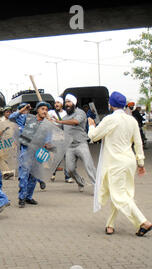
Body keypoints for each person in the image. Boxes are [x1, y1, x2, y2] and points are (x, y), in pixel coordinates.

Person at [88, 91, 152, 237]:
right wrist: (141, 162)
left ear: (111, 105)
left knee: (119, 195)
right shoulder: (132, 120)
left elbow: (93, 136)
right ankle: (110, 225)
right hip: (129, 161)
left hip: (115, 163)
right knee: (120, 193)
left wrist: (91, 125)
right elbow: (138, 142)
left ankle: (143, 222)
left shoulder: (110, 119)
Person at [9, 102, 50, 208]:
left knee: (34, 176)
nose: (44, 111)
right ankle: (21, 197)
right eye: (42, 109)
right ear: (37, 110)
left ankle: (28, 197)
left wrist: (48, 143)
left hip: (38, 151)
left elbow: (48, 137)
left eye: (46, 109)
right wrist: (22, 109)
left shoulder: (47, 124)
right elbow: (11, 117)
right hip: (26, 150)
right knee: (24, 175)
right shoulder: (27, 119)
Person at [54, 94, 96, 192]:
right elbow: (59, 131)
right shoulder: (64, 118)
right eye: (66, 102)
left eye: (69, 102)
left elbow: (76, 122)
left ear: (74, 103)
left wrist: (60, 122)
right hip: (70, 147)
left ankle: (96, 187)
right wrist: (51, 122)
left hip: (81, 144)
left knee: (89, 166)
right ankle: (80, 182)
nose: (67, 104)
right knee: (70, 170)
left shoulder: (80, 113)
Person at [48, 97, 72, 183]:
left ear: (62, 104)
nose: (56, 104)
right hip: (55, 137)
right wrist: (48, 120)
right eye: (55, 103)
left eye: (58, 102)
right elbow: (44, 118)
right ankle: (52, 173)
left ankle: (67, 176)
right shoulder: (51, 113)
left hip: (65, 136)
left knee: (67, 157)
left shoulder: (66, 114)